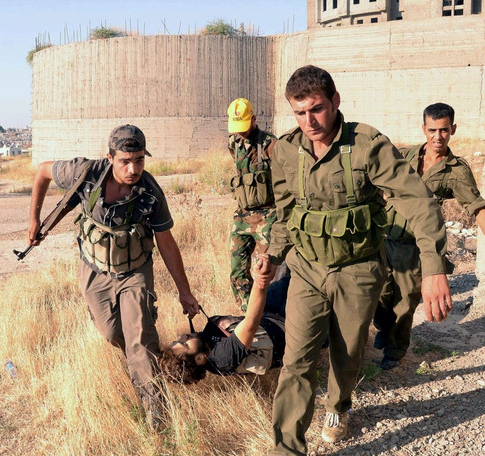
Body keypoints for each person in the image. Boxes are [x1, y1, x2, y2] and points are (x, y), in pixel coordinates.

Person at [257, 65, 453, 454]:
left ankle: (338, 406)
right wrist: (272, 254)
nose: (309, 121)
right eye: (299, 113)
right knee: (297, 361)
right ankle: (287, 448)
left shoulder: (367, 145)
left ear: (335, 102)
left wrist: (433, 268)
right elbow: (284, 212)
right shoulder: (286, 151)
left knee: (346, 355)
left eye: (316, 109)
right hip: (308, 270)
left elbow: (419, 202)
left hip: (359, 270)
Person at [26, 124, 199, 428]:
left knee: (140, 341)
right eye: (125, 161)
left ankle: (156, 414)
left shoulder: (150, 193)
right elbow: (42, 172)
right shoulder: (85, 172)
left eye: (140, 160)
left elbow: (167, 242)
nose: (133, 169)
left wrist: (185, 291)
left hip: (135, 272)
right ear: (109, 157)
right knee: (110, 333)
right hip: (94, 269)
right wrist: (34, 218)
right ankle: (143, 357)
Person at [374, 103, 485, 370]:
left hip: (416, 248)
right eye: (432, 130)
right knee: (379, 294)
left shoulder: (456, 170)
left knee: (405, 302)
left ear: (453, 129)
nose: (437, 137)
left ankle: (395, 350)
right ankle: (384, 329)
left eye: (444, 130)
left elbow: (477, 208)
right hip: (384, 238)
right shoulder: (405, 156)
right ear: (424, 129)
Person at [160, 261, 290, 383]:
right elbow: (250, 324)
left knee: (284, 256)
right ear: (199, 358)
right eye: (184, 343)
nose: (184, 336)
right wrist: (260, 281)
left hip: (270, 313)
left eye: (178, 339)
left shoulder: (206, 343)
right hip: (288, 323)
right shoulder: (222, 358)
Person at [227, 98, 278, 311]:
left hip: (267, 216)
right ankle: (249, 315)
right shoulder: (233, 144)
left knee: (264, 271)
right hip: (242, 216)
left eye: (244, 127)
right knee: (237, 270)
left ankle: (271, 314)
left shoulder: (271, 144)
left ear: (254, 119)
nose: (241, 132)